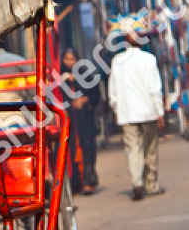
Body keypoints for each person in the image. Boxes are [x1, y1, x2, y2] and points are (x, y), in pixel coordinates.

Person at [107, 17, 165, 200]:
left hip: (127, 113)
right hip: (148, 112)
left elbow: (113, 89)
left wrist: (115, 108)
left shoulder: (117, 61)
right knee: (150, 149)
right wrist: (160, 111)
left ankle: (137, 183)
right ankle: (151, 185)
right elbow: (154, 88)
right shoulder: (149, 59)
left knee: (133, 149)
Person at [60, 47, 100, 194]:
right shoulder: (59, 76)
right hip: (68, 120)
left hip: (84, 119)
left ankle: (89, 180)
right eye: (66, 59)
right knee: (69, 149)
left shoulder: (86, 75)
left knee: (87, 148)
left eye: (72, 59)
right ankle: (74, 182)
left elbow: (95, 94)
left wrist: (84, 99)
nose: (69, 63)